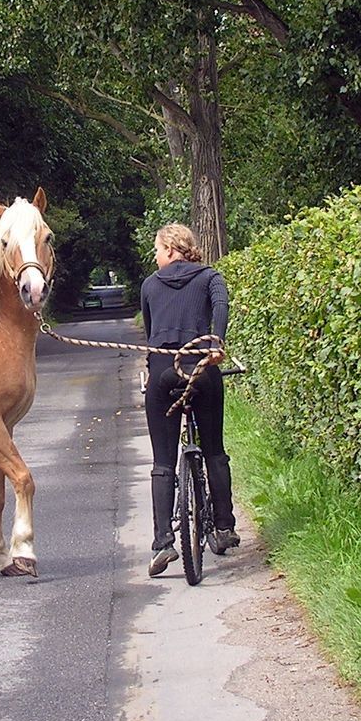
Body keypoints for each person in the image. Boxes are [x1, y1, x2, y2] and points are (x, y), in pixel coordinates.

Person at [141, 223, 240, 577]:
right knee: (214, 449)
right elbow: (222, 304)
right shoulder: (211, 276)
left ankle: (163, 542)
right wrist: (217, 343)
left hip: (164, 373)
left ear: (169, 249)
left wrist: (156, 365)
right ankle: (224, 527)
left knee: (162, 461)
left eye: (157, 249)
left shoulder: (150, 285)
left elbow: (151, 334)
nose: (155, 256)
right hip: (202, 367)